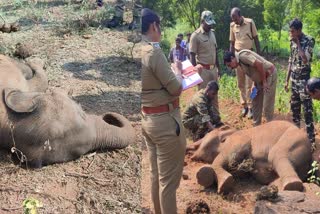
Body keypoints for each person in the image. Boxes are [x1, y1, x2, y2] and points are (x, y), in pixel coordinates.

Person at [141, 8, 186, 214]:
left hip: (148, 118)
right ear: (153, 26)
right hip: (165, 122)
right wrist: (179, 72)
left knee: (155, 175)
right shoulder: (153, 52)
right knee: (168, 183)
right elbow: (176, 88)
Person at [284, 18, 316, 149]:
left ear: (299, 30)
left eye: (292, 31)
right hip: (294, 81)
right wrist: (286, 81)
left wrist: (297, 43)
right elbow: (291, 61)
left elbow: (305, 60)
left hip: (304, 83)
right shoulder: (291, 41)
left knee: (307, 111)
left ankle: (311, 141)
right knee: (295, 111)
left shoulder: (309, 40)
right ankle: (296, 138)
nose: (290, 33)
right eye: (290, 31)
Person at [224, 50, 277, 126]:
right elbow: (253, 71)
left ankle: (270, 126)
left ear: (232, 58)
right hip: (258, 81)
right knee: (253, 98)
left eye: (229, 65)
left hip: (269, 76)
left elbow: (259, 64)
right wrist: (254, 84)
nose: (231, 68)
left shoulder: (243, 56)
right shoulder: (239, 63)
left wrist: (264, 82)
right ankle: (256, 125)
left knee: (267, 107)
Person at [229, 7, 261, 119]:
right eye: (232, 19)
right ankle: (244, 106)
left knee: (250, 84)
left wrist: (259, 56)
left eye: (235, 18)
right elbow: (232, 43)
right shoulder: (232, 26)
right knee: (240, 84)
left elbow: (256, 39)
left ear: (240, 15)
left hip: (249, 58)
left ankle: (251, 107)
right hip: (237, 58)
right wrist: (231, 58)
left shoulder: (250, 22)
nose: (234, 21)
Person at [189, 10, 220, 117]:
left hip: (213, 70)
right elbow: (192, 55)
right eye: (208, 23)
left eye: (211, 24)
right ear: (202, 21)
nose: (210, 26)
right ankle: (205, 122)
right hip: (203, 71)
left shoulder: (213, 34)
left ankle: (216, 118)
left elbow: (215, 51)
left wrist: (218, 69)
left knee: (215, 95)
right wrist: (195, 75)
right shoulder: (195, 36)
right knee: (204, 97)